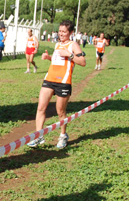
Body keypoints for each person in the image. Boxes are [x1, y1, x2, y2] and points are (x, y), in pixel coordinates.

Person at [27, 20, 86, 149]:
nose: (61, 34)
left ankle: (63, 136)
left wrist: (69, 55)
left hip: (63, 82)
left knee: (60, 112)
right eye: (60, 31)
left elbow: (82, 62)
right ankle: (38, 136)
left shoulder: (73, 45)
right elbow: (57, 61)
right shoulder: (57, 44)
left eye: (64, 32)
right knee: (41, 108)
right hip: (49, 79)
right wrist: (48, 57)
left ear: (70, 32)